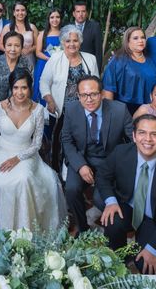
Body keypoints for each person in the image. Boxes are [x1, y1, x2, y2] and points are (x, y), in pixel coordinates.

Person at [99, 115, 156, 274]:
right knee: (112, 221)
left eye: (154, 134)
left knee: (148, 268)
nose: (147, 139)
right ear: (134, 136)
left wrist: (153, 249)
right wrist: (111, 201)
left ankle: (147, 250)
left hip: (154, 218)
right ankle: (119, 256)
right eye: (142, 133)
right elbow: (103, 175)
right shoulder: (121, 152)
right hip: (128, 206)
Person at [0, 69, 66, 231]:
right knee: (2, 182)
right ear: (11, 88)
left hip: (26, 153)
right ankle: (7, 229)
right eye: (16, 88)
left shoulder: (38, 110)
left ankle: (26, 228)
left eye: (24, 88)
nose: (19, 92)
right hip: (1, 151)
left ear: (30, 88)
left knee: (24, 179)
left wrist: (17, 158)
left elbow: (36, 143)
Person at [61, 76, 134, 234]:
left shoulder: (119, 110)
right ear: (79, 96)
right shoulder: (71, 109)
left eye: (93, 94)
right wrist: (80, 166)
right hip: (83, 158)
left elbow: (134, 140)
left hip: (109, 162)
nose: (89, 99)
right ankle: (83, 229)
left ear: (101, 94)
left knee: (101, 200)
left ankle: (117, 229)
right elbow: (66, 140)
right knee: (71, 190)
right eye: (84, 95)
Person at [40, 25, 99, 169]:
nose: (72, 44)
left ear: (80, 42)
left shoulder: (90, 59)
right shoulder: (55, 58)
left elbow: (96, 83)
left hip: (85, 109)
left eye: (75, 40)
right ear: (62, 42)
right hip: (61, 110)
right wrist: (50, 100)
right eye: (68, 41)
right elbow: (44, 82)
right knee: (58, 142)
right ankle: (56, 171)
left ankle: (81, 170)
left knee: (83, 142)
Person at [102, 26, 156, 115]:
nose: (140, 41)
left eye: (143, 37)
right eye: (135, 38)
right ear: (128, 42)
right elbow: (108, 88)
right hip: (124, 108)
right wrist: (108, 113)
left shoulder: (150, 60)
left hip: (148, 108)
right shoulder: (118, 60)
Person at [0, 31, 33, 111]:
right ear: (4, 47)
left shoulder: (27, 64)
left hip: (20, 109)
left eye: (17, 46)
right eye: (9, 45)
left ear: (21, 48)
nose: (13, 49)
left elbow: (29, 89)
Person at [32, 8, 62, 103]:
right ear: (48, 19)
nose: (55, 20)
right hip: (44, 64)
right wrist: (49, 59)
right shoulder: (42, 34)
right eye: (52, 17)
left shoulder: (64, 33)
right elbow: (38, 52)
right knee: (42, 87)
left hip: (59, 64)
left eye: (57, 17)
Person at [0, 2, 38, 69]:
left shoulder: (32, 27)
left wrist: (29, 50)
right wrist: (11, 51)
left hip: (28, 58)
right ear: (14, 13)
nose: (20, 13)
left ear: (26, 12)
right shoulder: (7, 27)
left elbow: (37, 45)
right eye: (17, 10)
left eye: (23, 10)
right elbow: (0, 45)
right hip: (10, 59)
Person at [72, 1, 103, 71]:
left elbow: (98, 51)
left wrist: (97, 71)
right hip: (71, 66)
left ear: (87, 13)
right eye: (78, 11)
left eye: (83, 11)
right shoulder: (68, 27)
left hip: (89, 66)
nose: (81, 14)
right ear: (73, 13)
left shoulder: (95, 26)